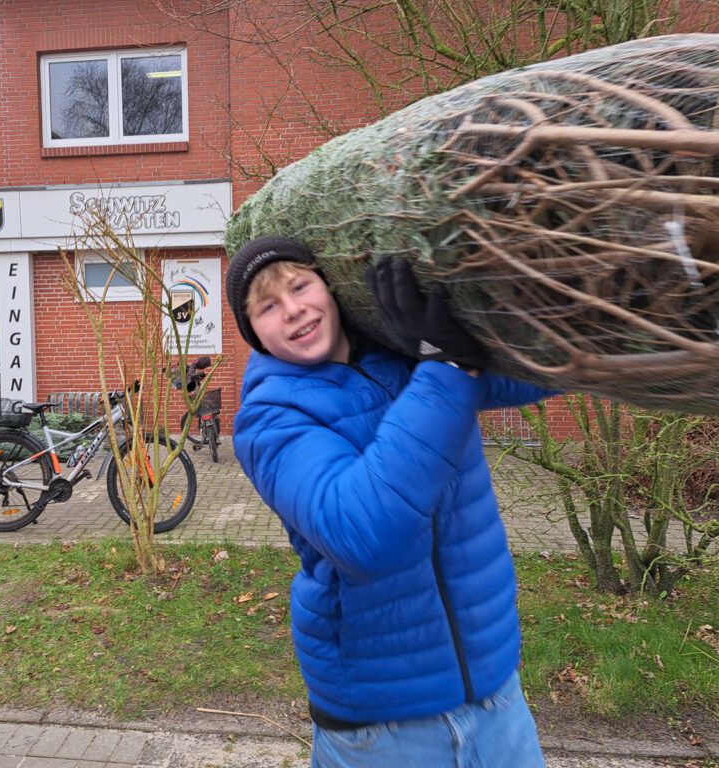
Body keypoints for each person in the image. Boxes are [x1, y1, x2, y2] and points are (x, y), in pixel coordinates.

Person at [226, 235, 555, 767]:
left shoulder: (402, 352)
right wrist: (445, 369)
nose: (293, 310)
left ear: (329, 287)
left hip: (497, 697)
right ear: (254, 334)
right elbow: (364, 533)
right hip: (382, 731)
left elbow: (536, 370)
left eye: (300, 286)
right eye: (267, 307)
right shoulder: (269, 419)